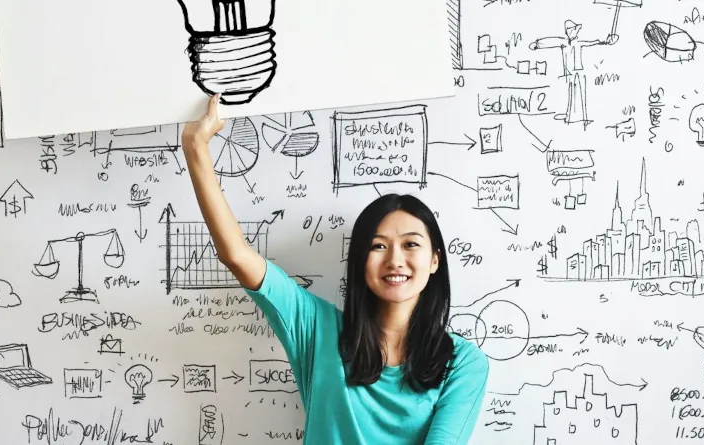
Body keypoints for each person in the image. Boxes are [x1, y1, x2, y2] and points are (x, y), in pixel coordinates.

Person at [181, 94, 489, 445]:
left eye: (411, 244)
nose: (395, 260)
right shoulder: (318, 329)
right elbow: (236, 255)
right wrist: (195, 147)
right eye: (378, 246)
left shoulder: (463, 363)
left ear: (434, 260)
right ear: (360, 259)